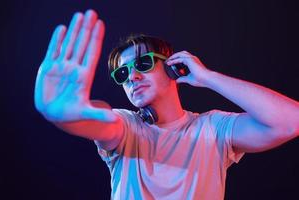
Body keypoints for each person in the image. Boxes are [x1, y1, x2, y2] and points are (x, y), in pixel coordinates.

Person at [34, 9, 299, 200]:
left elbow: (291, 121)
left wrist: (209, 78)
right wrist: (63, 114)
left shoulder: (213, 127)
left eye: (143, 63)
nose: (133, 76)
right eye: (123, 74)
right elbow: (98, 118)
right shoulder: (126, 127)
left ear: (174, 68)